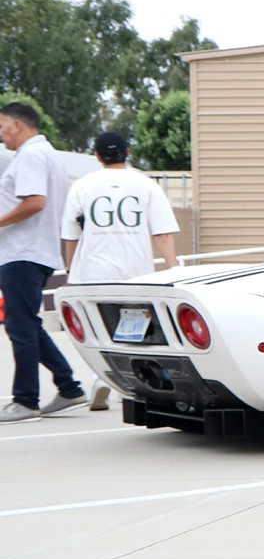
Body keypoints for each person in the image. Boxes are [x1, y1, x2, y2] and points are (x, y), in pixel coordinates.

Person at [62, 131, 182, 410]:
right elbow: (162, 233)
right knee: (134, 333)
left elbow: (71, 235)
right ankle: (132, 383)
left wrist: (69, 268)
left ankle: (101, 376)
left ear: (97, 156)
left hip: (92, 273)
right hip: (134, 272)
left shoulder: (82, 185)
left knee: (97, 331)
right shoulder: (145, 184)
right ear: (127, 152)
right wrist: (173, 269)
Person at [0, 102, 87, 422]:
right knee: (28, 324)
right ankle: (69, 387)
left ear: (17, 125)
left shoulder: (31, 156)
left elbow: (35, 202)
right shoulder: (50, 154)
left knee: (19, 327)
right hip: (36, 251)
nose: (0, 134)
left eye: (1, 126)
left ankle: (25, 400)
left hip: (22, 252)